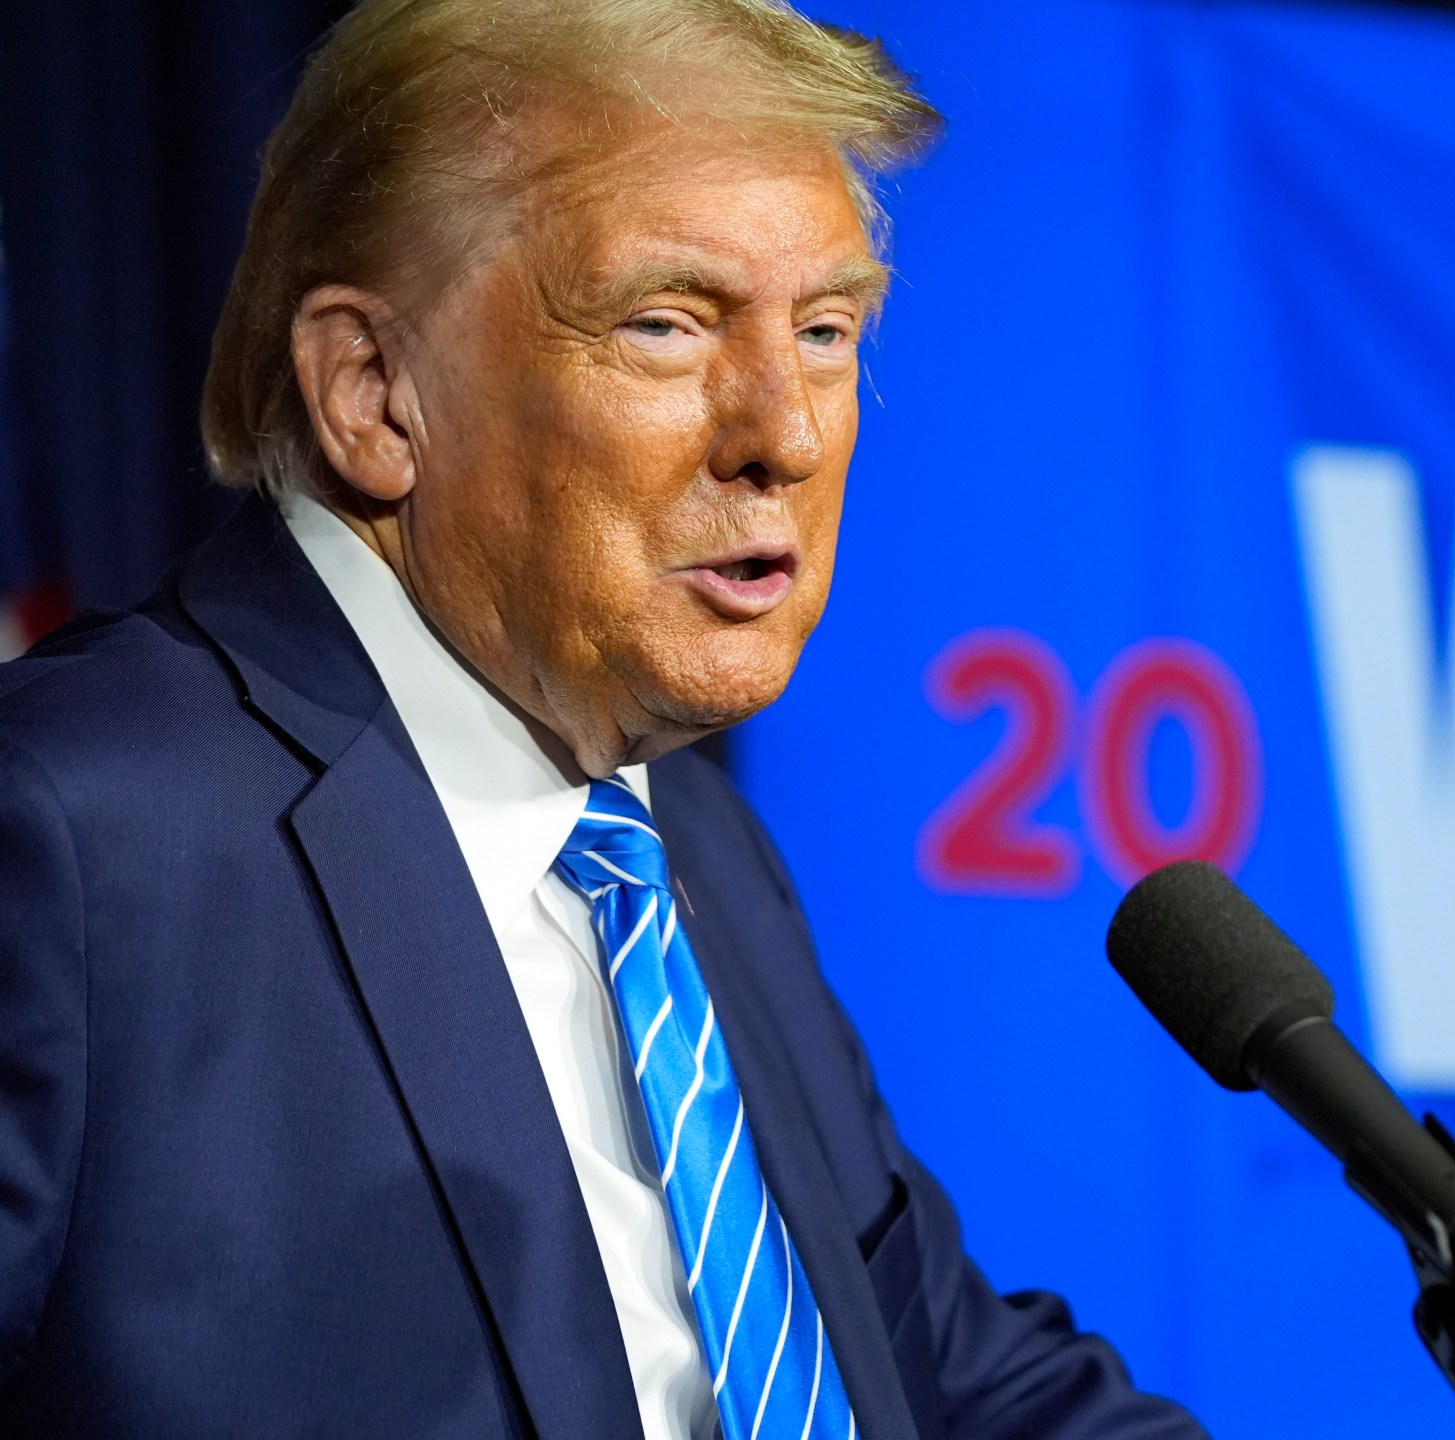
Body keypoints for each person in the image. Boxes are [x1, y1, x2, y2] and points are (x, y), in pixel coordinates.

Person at [0, 2, 1205, 1436]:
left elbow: (928, 1368)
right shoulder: (77, 831)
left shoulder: (677, 836)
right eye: (666, 324)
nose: (789, 433)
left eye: (826, 329)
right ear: (375, 394)